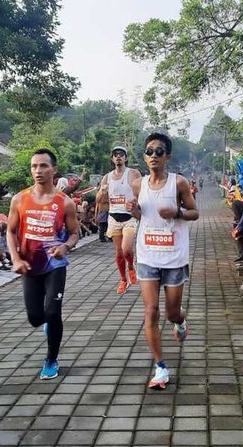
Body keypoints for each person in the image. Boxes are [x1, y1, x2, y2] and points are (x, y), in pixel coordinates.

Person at [129, 133, 199, 390]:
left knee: (170, 312)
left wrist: (177, 212)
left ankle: (180, 321)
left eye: (159, 151)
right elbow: (140, 214)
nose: (154, 156)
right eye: (149, 151)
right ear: (144, 156)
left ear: (167, 156)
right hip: (147, 254)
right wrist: (134, 212)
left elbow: (195, 212)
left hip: (174, 257)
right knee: (151, 311)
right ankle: (160, 367)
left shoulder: (178, 184)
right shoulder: (138, 184)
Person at [7, 148, 79, 380]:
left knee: (52, 310)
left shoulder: (64, 202)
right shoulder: (20, 199)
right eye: (34, 166)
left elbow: (75, 234)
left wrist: (65, 247)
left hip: (54, 264)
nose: (38, 171)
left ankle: (51, 359)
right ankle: (48, 323)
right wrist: (16, 258)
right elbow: (10, 231)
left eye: (43, 166)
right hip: (29, 264)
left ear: (54, 170)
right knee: (36, 318)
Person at [97, 146, 142, 294]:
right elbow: (98, 199)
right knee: (118, 252)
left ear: (125, 158)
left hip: (129, 217)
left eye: (121, 155)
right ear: (112, 159)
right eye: (115, 155)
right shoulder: (107, 177)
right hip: (114, 218)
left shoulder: (133, 173)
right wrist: (102, 191)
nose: (118, 157)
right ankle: (123, 279)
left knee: (127, 248)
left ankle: (131, 266)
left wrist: (135, 202)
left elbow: (141, 192)